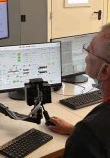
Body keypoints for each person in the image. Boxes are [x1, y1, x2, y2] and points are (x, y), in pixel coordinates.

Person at [47, 23, 110, 158]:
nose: (86, 49)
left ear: (105, 71)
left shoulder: (89, 132)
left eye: (91, 50)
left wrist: (82, 132)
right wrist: (73, 129)